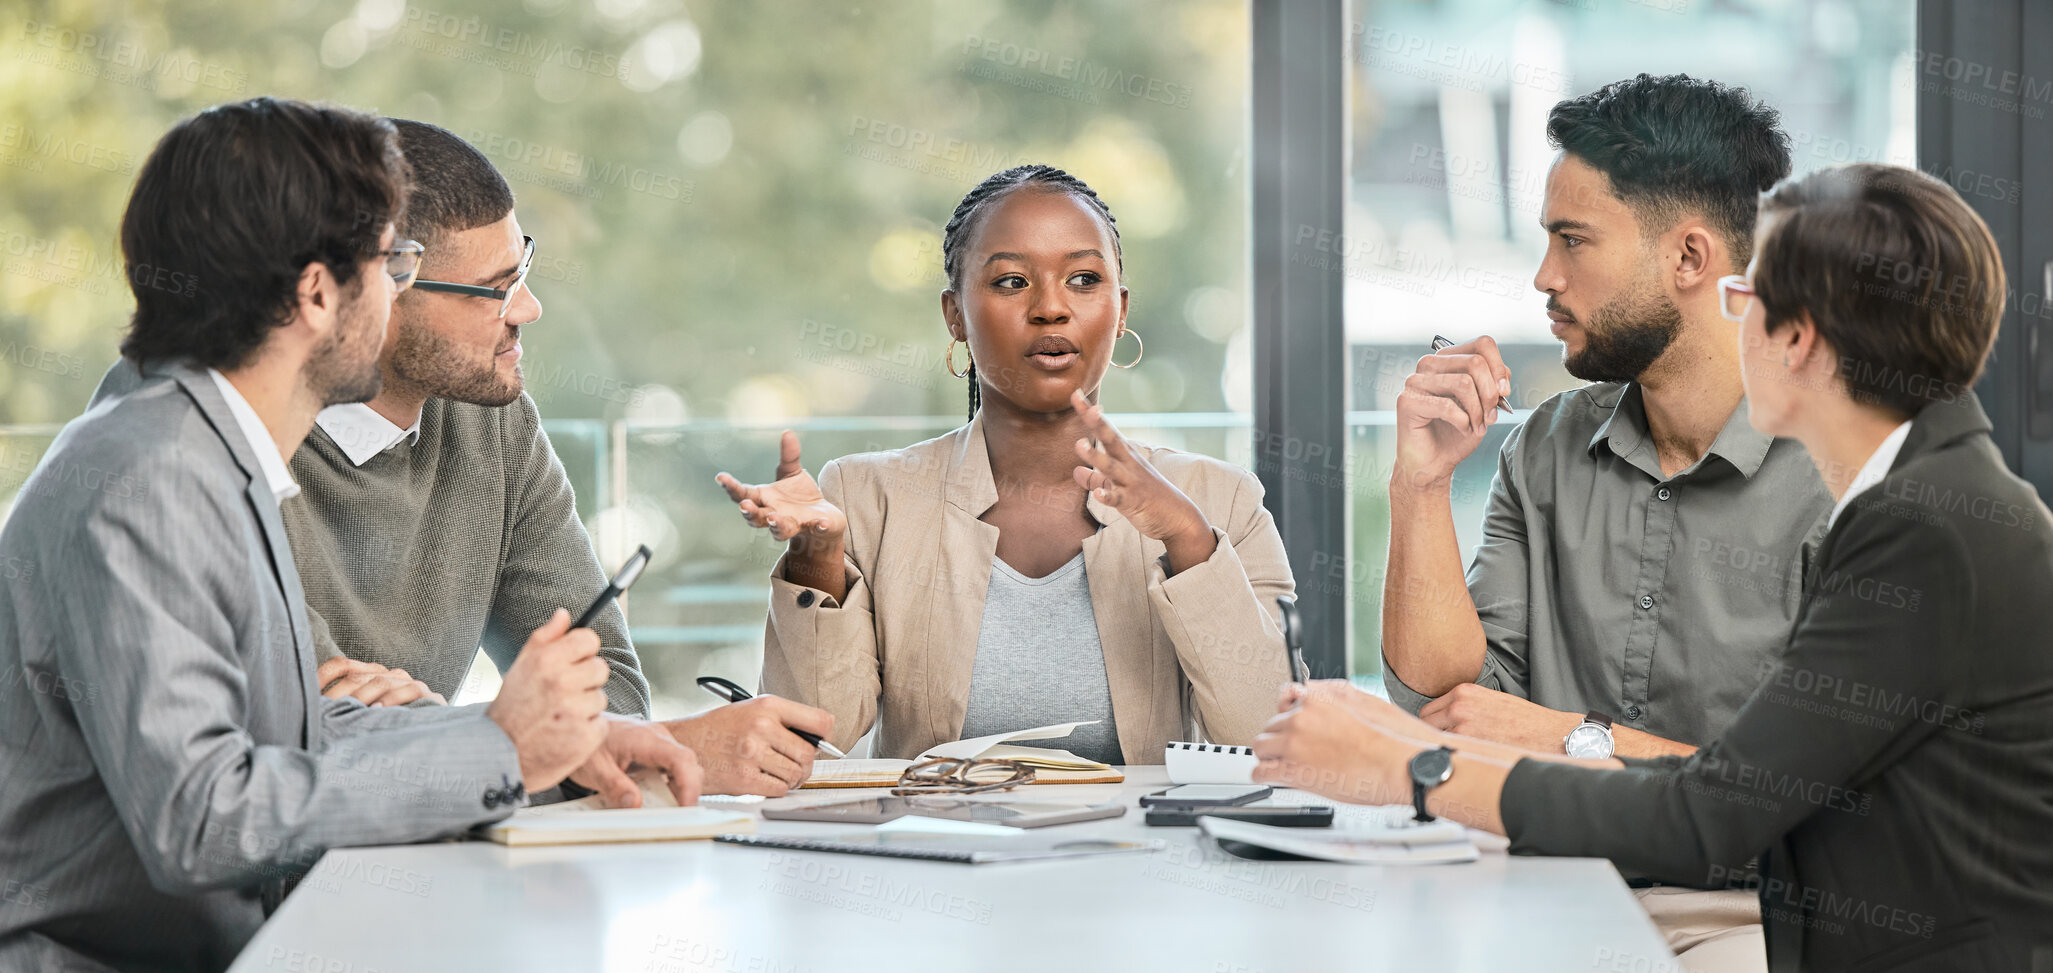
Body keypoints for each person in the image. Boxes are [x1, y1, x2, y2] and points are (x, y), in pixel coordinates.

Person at [1255, 162, 2053, 972]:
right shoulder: (1928, 497)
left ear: (1798, 337)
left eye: (1744, 302)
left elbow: (1711, 815)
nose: (1729, 330)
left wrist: (1411, 766)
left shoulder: (1925, 529)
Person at [0, 98, 700, 971]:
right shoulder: (151, 481)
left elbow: (297, 737)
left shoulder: (210, 452)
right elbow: (205, 818)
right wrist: (497, 744)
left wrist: (551, 751)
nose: (395, 292)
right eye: (391, 264)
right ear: (318, 293)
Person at [93, 119, 834, 799]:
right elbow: (304, 728)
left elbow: (601, 693)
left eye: (523, 269)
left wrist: (461, 730)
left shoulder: (494, 421)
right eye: (493, 290)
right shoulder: (202, 442)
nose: (527, 309)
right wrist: (606, 743)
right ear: (384, 290)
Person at [1381, 74, 1826, 967]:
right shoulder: (1545, 446)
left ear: (1690, 258)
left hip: (1748, 916)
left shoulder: (1840, 476)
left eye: (1570, 240)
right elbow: (1448, 697)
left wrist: (1571, 741)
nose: (1543, 277)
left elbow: (1815, 805)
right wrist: (1421, 484)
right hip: (1533, 883)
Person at [718, 165, 1293, 763]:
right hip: (935, 849)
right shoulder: (865, 495)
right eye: (1013, 281)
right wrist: (816, 559)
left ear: (1120, 311)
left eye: (1083, 278)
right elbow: (810, 748)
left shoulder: (1221, 499)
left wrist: (1187, 538)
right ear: (955, 315)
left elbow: (1270, 744)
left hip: (1142, 854)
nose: (1051, 308)